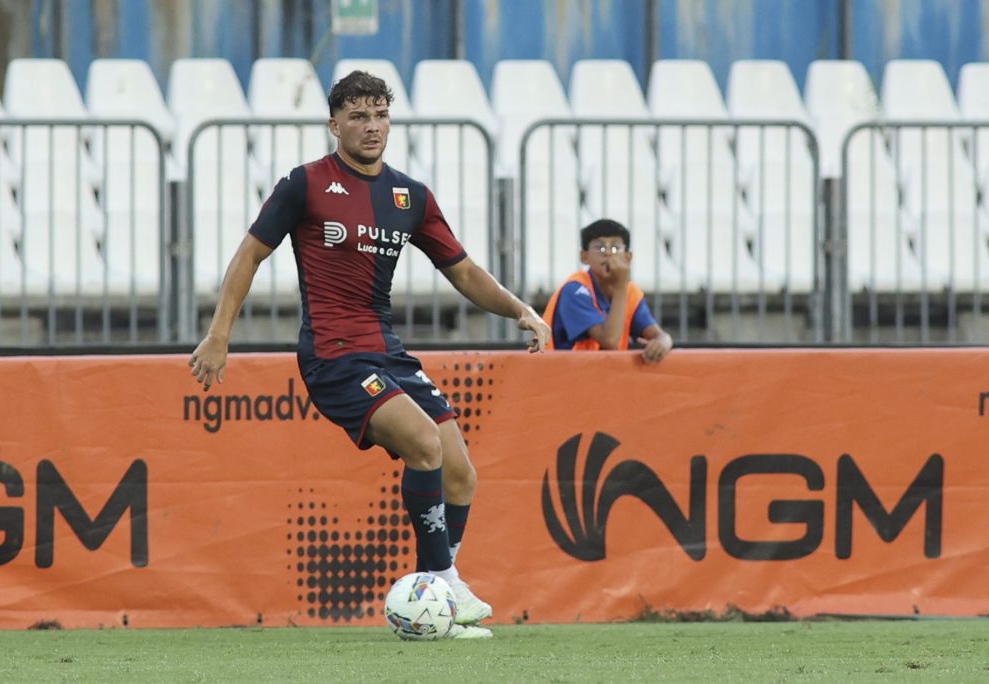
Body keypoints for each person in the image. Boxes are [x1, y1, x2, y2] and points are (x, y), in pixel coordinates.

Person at [188, 70, 550, 640]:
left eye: (380, 115)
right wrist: (219, 335)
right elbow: (249, 255)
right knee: (424, 443)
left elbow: (464, 272)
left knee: (460, 473)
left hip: (387, 352)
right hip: (333, 356)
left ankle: (436, 600)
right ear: (335, 125)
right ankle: (442, 586)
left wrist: (520, 309)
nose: (372, 126)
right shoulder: (305, 184)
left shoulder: (410, 196)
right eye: (358, 116)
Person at [542, 219, 672, 362]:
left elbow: (659, 335)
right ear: (584, 257)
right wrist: (620, 285)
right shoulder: (575, 290)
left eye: (615, 247)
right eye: (600, 247)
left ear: (628, 257)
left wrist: (663, 342)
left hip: (600, 372)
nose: (608, 253)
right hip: (559, 371)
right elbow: (610, 341)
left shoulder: (631, 292)